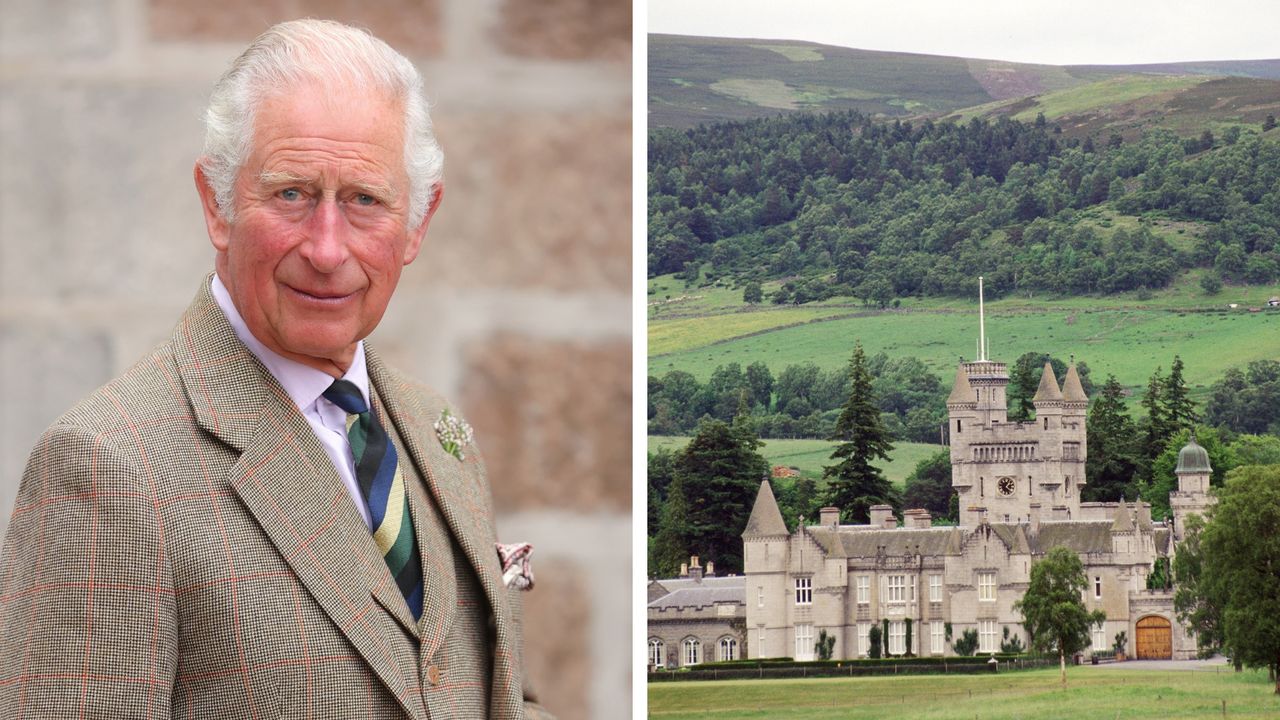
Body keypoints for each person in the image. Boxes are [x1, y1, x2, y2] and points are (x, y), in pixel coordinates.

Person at [0, 19, 552, 720]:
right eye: (292, 193)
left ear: (417, 221)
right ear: (217, 205)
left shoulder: (438, 432)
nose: (326, 249)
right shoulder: (106, 467)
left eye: (364, 201)